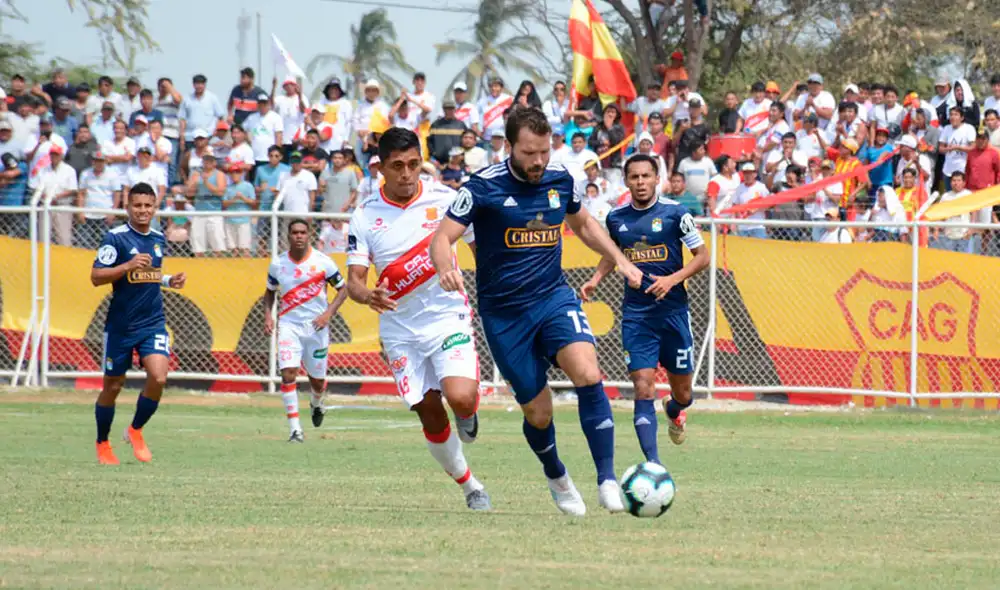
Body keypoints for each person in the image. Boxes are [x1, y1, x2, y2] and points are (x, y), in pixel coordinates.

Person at [430, 107, 643, 516]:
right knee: (538, 412)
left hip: (553, 297)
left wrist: (622, 260)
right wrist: (445, 268)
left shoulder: (561, 178)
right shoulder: (482, 187)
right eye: (530, 153)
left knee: (588, 372)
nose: (539, 161)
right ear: (509, 147)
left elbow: (584, 226)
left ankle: (607, 479)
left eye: (545, 151)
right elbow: (443, 238)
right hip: (505, 315)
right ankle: (557, 474)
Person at [345, 127, 491, 511]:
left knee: (460, 397)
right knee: (428, 411)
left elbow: (482, 250)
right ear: (380, 168)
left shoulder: (448, 199)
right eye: (398, 166)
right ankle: (470, 486)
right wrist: (367, 295)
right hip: (399, 328)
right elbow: (355, 284)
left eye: (413, 164)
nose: (407, 174)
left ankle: (469, 411)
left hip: (447, 316)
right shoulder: (364, 216)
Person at [581, 153, 709, 464]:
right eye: (634, 177)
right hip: (637, 316)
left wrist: (672, 280)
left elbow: (702, 256)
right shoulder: (616, 218)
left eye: (645, 176)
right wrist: (596, 279)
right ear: (626, 181)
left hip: (674, 314)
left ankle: (675, 411)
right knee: (642, 386)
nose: (640, 182)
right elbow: (613, 254)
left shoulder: (676, 214)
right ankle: (653, 464)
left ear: (656, 180)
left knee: (685, 393)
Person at [91, 182, 186, 465]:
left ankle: (135, 430)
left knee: (158, 377)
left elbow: (150, 275)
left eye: (148, 206)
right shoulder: (115, 238)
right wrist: (127, 266)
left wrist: (169, 281)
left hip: (152, 322)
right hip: (120, 326)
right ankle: (103, 442)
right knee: (113, 385)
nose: (143, 211)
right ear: (127, 207)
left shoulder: (158, 237)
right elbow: (96, 276)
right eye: (137, 206)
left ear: (155, 207)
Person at [263, 219, 348, 441]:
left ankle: (316, 403)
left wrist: (328, 314)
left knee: (317, 381)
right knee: (288, 373)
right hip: (289, 326)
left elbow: (343, 289)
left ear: (309, 235)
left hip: (316, 328)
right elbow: (270, 291)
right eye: (294, 233)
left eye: (302, 232)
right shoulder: (278, 264)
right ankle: (295, 430)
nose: (299, 236)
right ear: (288, 236)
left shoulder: (323, 262)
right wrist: (268, 316)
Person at [185, 147, 227, 257]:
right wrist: (195, 183)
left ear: (215, 162)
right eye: (206, 160)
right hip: (199, 212)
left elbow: (221, 192)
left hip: (214, 213)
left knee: (217, 245)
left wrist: (206, 182)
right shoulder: (195, 174)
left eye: (211, 160)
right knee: (198, 246)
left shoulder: (219, 174)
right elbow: (189, 193)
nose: (208, 162)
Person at [76, 150, 122, 249]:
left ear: (105, 161)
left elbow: (117, 194)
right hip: (88, 213)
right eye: (96, 161)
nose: (99, 163)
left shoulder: (113, 174)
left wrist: (113, 212)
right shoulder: (85, 173)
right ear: (93, 161)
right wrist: (80, 211)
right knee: (84, 244)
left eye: (101, 161)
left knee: (106, 245)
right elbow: (81, 194)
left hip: (105, 214)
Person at [222, 162, 257, 257]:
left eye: (237, 172)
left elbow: (254, 202)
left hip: (243, 220)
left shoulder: (248, 186)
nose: (234, 174)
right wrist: (234, 199)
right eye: (232, 172)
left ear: (241, 173)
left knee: (245, 248)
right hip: (230, 220)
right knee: (233, 249)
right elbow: (224, 203)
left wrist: (243, 198)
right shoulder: (228, 188)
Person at [730, 162, 769, 238]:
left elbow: (769, 204)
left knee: (760, 249)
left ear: (755, 174)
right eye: (745, 173)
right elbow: (735, 206)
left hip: (758, 226)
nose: (748, 176)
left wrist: (756, 208)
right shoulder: (739, 188)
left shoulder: (761, 187)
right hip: (743, 227)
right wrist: (736, 221)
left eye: (750, 173)